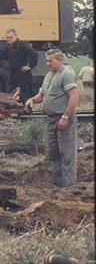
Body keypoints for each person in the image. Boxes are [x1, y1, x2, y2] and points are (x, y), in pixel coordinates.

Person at [25, 49, 79, 188]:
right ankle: (57, 185)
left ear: (59, 60)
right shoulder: (49, 75)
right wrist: (31, 99)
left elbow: (74, 96)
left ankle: (68, 187)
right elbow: (42, 96)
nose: (47, 63)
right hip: (51, 120)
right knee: (54, 153)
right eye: (46, 61)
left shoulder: (66, 74)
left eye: (51, 61)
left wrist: (66, 116)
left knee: (67, 154)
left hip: (63, 119)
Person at [0, 28, 37, 103]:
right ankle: (17, 111)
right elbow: (1, 55)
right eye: (8, 38)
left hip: (23, 74)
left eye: (11, 37)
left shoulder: (22, 45)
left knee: (24, 95)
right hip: (13, 75)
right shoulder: (8, 48)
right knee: (13, 94)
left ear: (16, 36)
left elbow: (34, 54)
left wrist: (30, 66)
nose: (9, 39)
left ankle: (28, 111)